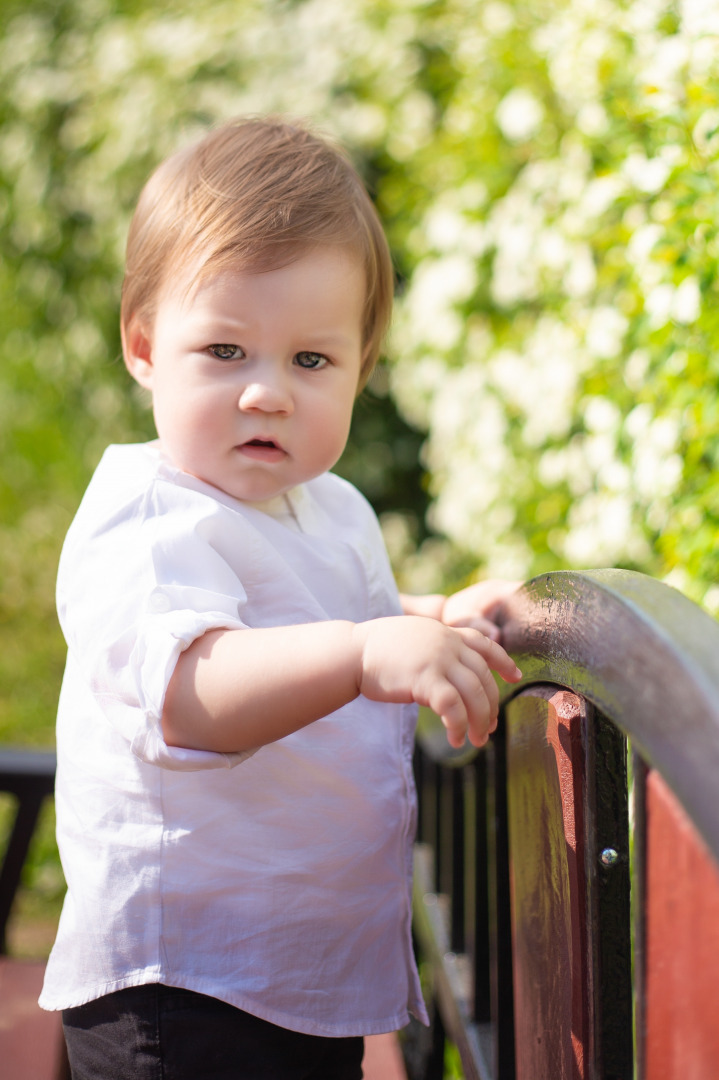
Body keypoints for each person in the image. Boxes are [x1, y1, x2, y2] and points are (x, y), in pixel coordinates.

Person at [40, 117, 521, 1079]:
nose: (268, 394)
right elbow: (192, 696)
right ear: (143, 345)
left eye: (310, 361)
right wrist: (362, 654)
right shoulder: (149, 517)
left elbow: (341, 616)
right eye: (225, 352)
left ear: (359, 367)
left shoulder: (328, 508)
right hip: (182, 983)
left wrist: (437, 621)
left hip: (298, 974)